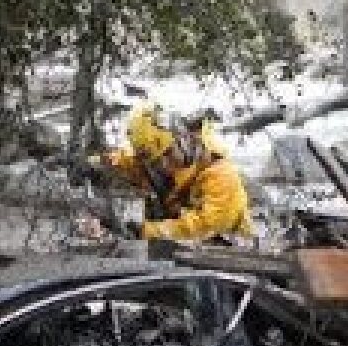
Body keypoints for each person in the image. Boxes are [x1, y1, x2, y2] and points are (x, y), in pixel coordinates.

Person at [84, 101, 254, 242]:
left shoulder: (221, 174)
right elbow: (126, 161)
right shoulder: (158, 165)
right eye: (157, 162)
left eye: (168, 154)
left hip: (228, 259)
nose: (165, 166)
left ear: (184, 137)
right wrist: (92, 164)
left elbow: (205, 227)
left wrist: (145, 231)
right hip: (181, 255)